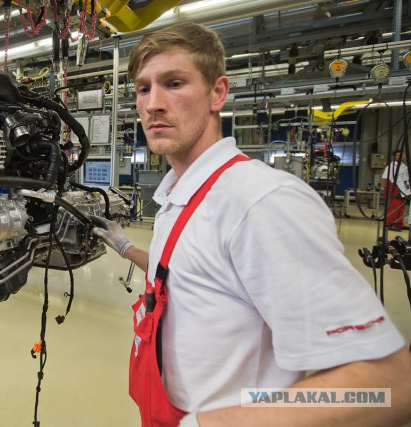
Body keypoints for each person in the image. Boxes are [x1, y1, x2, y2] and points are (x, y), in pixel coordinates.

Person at [91, 22, 411, 427]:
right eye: (143, 88)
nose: (153, 103)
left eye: (174, 83)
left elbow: (386, 384)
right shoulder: (180, 195)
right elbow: (190, 276)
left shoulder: (260, 201)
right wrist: (124, 248)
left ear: (218, 93)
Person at [380, 150, 410, 231]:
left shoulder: (404, 166)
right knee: (393, 207)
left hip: (403, 188)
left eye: (403, 155)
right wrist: (385, 189)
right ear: (395, 156)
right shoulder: (391, 167)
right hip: (394, 187)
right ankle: (389, 224)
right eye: (398, 155)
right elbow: (384, 179)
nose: (401, 156)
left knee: (401, 207)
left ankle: (399, 224)